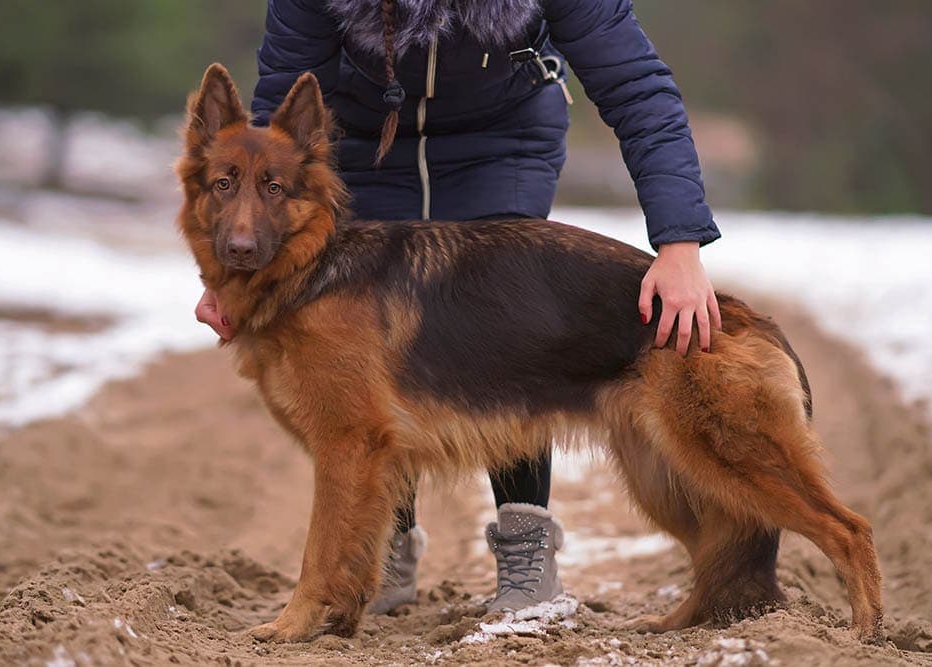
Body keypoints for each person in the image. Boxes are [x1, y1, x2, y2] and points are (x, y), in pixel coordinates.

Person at [196, 0, 722, 615]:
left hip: (501, 144)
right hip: (369, 152)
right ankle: (383, 551)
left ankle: (527, 552)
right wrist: (241, 273)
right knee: (368, 343)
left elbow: (637, 90)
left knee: (504, 320)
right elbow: (276, 120)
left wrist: (679, 240)